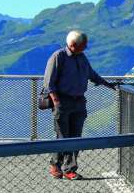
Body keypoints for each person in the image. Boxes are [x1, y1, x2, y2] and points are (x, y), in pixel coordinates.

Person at [42, 28, 117, 180]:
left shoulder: (82, 57)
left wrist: (107, 84)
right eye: (84, 44)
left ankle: (66, 168)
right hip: (62, 101)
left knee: (76, 136)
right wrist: (56, 102)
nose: (86, 47)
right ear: (73, 44)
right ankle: (59, 166)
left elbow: (91, 74)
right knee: (63, 136)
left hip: (79, 101)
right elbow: (49, 82)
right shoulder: (58, 57)